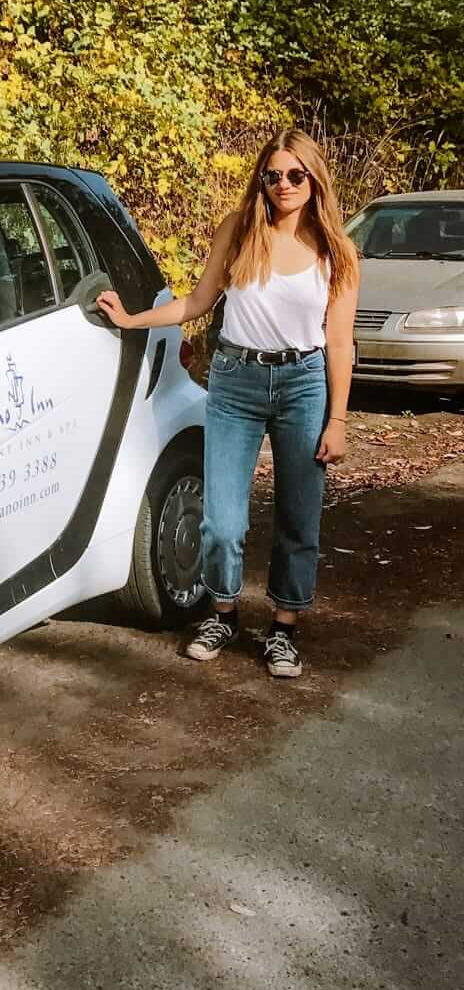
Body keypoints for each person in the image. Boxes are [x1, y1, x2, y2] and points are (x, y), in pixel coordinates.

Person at [96, 130, 359, 678]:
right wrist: (130, 319)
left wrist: (337, 418)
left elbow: (338, 343)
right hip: (236, 381)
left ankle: (284, 628)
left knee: (297, 516)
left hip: (304, 384)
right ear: (261, 180)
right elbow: (196, 301)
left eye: (294, 175)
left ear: (313, 180)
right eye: (273, 175)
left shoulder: (337, 250)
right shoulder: (240, 232)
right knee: (221, 521)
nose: (283, 185)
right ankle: (224, 612)